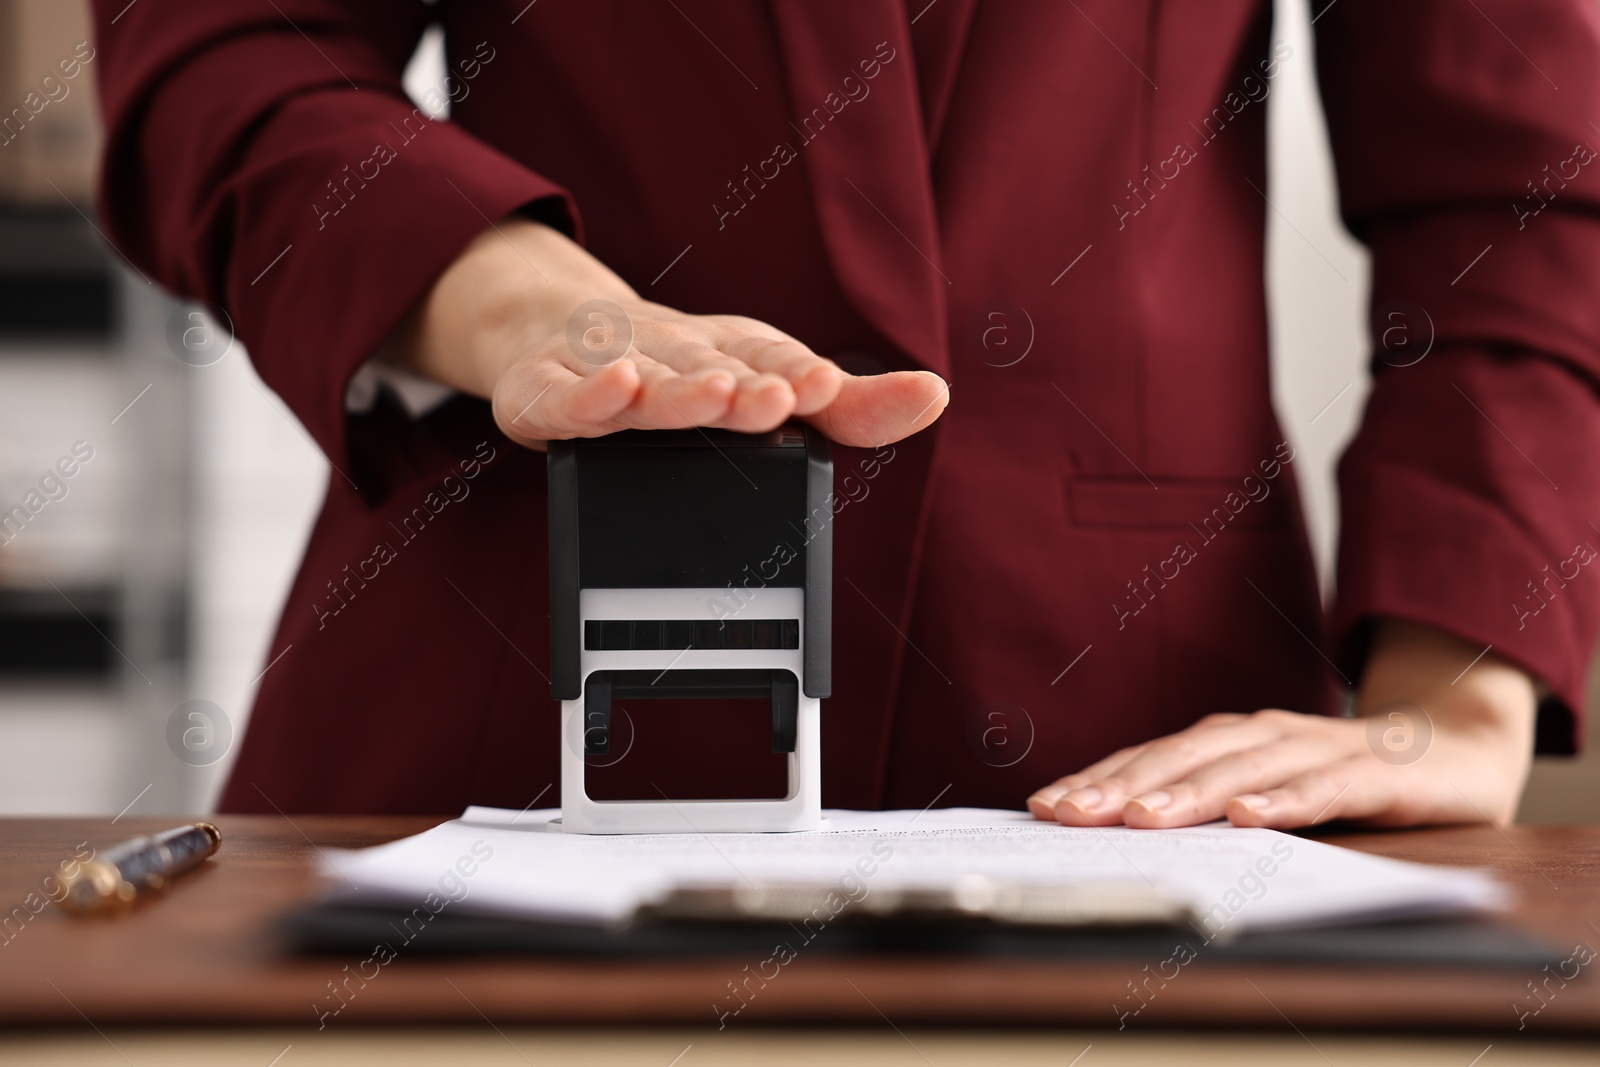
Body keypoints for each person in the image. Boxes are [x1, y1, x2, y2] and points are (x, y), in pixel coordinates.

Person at [91, 0, 1600, 827]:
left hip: (1143, 748)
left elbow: (1520, 193)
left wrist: (1451, 693)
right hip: (503, 705)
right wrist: (520, 300)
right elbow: (224, 47)